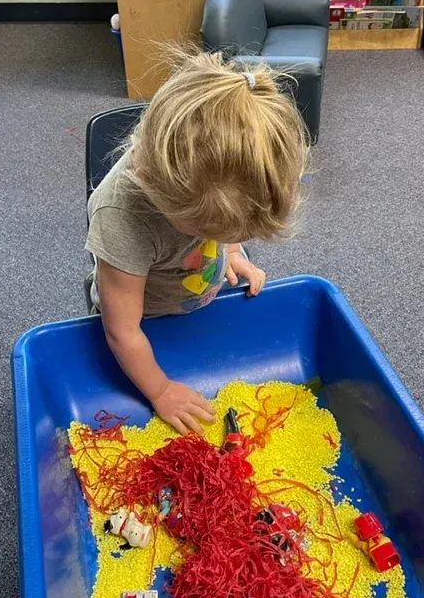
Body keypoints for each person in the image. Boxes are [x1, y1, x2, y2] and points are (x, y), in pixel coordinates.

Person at [85, 49, 308, 435]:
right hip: (143, 322)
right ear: (150, 181)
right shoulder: (122, 219)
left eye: (231, 234)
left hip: (196, 301)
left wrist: (234, 252)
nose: (224, 239)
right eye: (213, 231)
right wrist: (161, 390)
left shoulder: (211, 186)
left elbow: (223, 224)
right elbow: (122, 331)